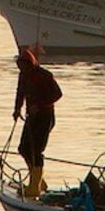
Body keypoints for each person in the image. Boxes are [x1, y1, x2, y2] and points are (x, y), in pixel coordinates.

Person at [11, 44, 62, 189]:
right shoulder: (23, 76)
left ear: (30, 64)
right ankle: (39, 181)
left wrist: (38, 105)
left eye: (24, 66)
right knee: (24, 149)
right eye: (20, 67)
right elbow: (20, 92)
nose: (22, 70)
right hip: (31, 117)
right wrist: (17, 109)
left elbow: (57, 94)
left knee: (37, 150)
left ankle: (35, 187)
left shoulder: (44, 75)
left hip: (45, 117)